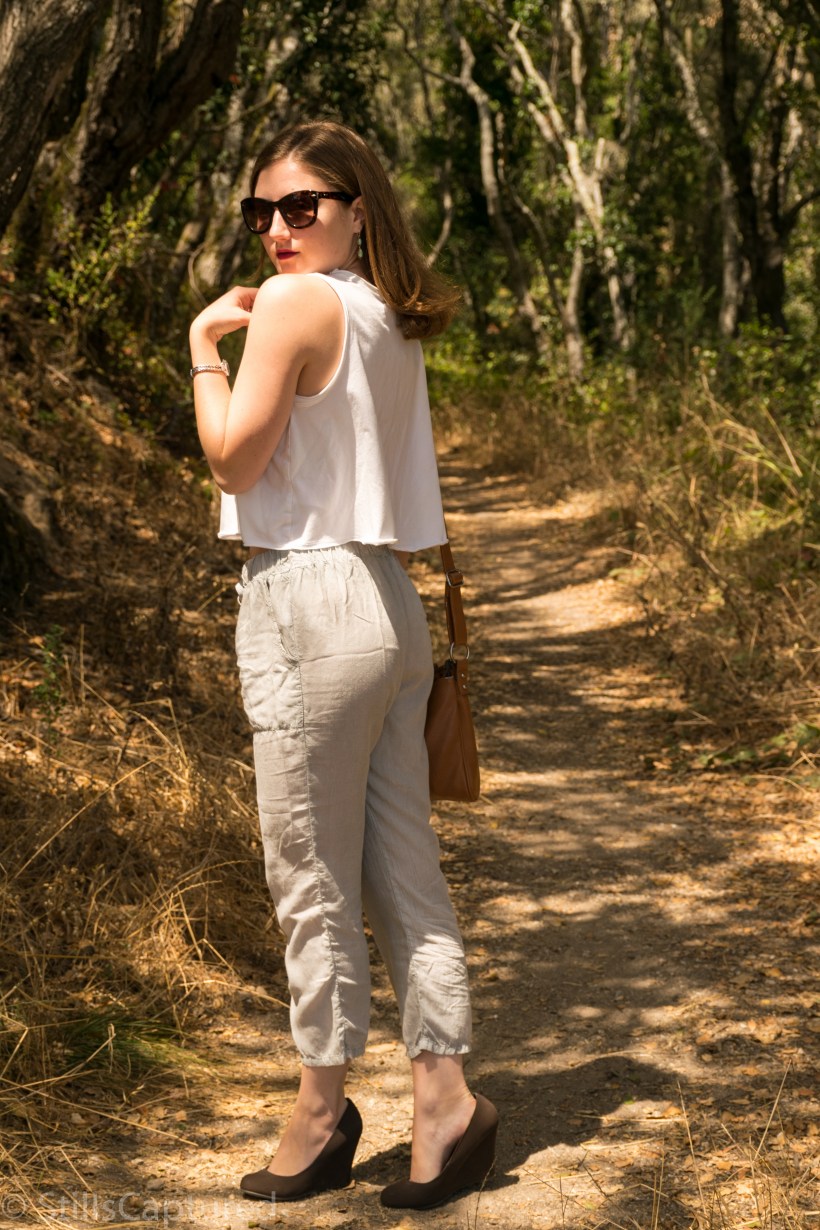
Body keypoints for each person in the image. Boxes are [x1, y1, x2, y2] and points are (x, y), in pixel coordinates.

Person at [188, 120, 498, 1210]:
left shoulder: (291, 305)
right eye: (259, 211)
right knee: (404, 870)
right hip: (387, 603)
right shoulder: (387, 314)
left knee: (309, 875)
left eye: (301, 206)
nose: (277, 229)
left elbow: (232, 454)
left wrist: (200, 351)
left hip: (306, 603)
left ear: (357, 207)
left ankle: (322, 1111)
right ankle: (444, 1100)